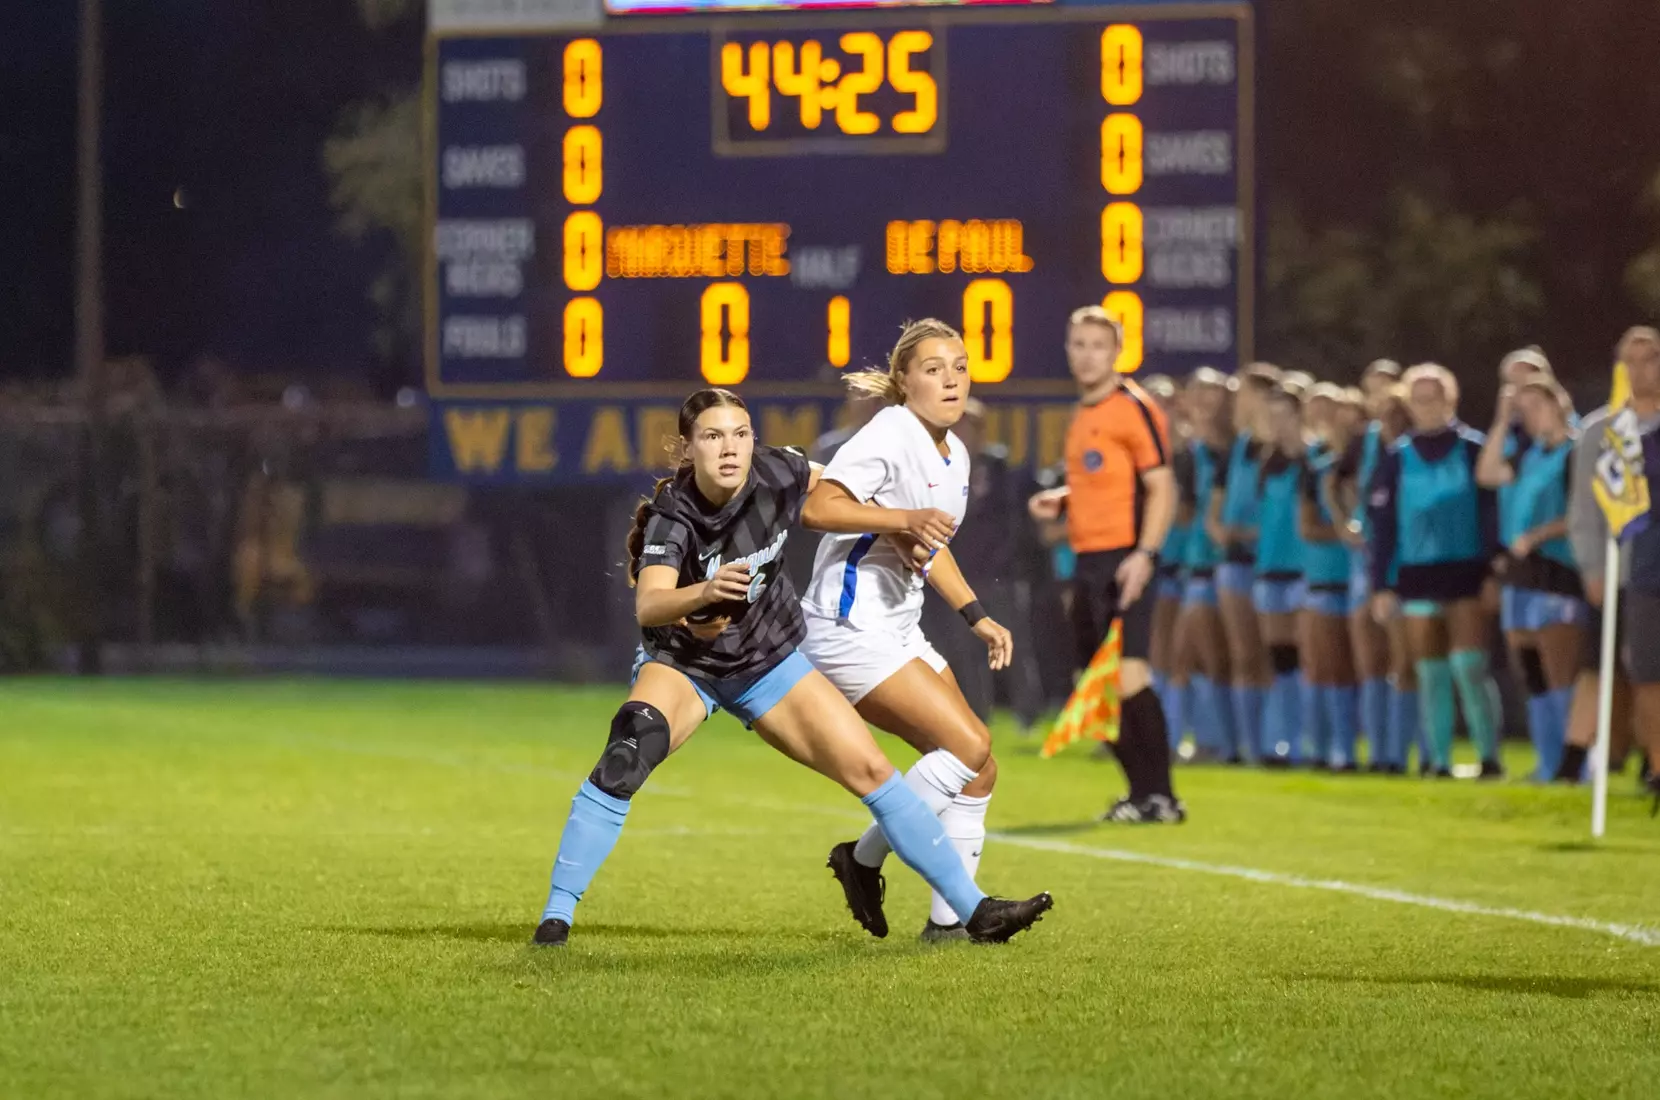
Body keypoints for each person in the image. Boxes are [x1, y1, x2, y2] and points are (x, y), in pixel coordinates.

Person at [533, 388, 1052, 947]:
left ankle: (975, 913)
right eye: (713, 436)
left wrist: (897, 527)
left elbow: (841, 499)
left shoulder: (779, 470)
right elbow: (651, 605)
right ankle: (556, 918)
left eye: (740, 434)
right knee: (628, 752)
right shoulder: (673, 516)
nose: (730, 449)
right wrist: (704, 592)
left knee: (874, 772)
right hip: (686, 664)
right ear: (687, 448)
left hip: (768, 662)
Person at [800, 319, 1019, 943]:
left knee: (978, 771)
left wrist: (976, 615)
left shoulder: (955, 453)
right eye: (933, 369)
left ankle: (947, 926)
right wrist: (902, 516)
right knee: (969, 746)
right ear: (903, 380)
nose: (951, 380)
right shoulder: (890, 431)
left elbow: (927, 545)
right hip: (848, 625)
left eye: (960, 367)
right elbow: (817, 507)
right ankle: (864, 859)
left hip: (897, 625)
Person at [1028, 305, 1182, 821]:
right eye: (1079, 345)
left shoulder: (1133, 407)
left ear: (1117, 352)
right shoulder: (1084, 414)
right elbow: (1109, 484)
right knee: (1091, 685)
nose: (1087, 355)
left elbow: (1161, 486)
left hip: (1125, 559)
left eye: (1098, 346)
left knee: (1129, 675)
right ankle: (1141, 794)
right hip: (1088, 561)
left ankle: (1161, 795)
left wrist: (1145, 554)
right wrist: (1063, 500)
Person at [1367, 365, 1504, 779]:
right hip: (1417, 574)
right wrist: (1380, 584)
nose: (1427, 407)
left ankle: (1489, 756)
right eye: (1419, 399)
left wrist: (1493, 570)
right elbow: (1383, 527)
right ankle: (1438, 759)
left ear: (1451, 400)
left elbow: (1490, 512)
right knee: (1430, 672)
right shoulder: (1397, 458)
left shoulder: (1473, 448)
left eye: (1434, 398)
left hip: (1466, 571)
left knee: (1469, 666)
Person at [1559, 327, 1660, 784]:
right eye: (1630, 360)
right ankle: (1581, 757)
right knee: (1614, 666)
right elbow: (1584, 509)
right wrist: (1593, 568)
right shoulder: (1601, 431)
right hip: (1621, 568)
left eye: (1650, 358)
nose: (1640, 370)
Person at [1477, 375, 1583, 780]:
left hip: (1557, 571)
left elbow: (1581, 513)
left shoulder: (1575, 451)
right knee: (1531, 671)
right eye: (1524, 410)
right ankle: (1547, 762)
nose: (1531, 415)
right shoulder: (1527, 455)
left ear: (1558, 404)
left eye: (1537, 405)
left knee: (1560, 670)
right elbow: (1487, 474)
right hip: (1521, 575)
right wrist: (1502, 420)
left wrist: (1538, 535)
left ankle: (1575, 765)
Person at [1207, 363, 1280, 763]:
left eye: (1245, 392)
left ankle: (1274, 740)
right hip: (1234, 562)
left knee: (1272, 653)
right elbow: (1214, 512)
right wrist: (1222, 531)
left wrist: (1251, 533)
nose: (1237, 400)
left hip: (1270, 562)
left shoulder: (1278, 449)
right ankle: (1245, 745)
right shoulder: (1237, 448)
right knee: (1242, 654)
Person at [1171, 367, 1238, 761]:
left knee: (1211, 655)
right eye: (1197, 394)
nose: (1205, 403)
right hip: (1192, 564)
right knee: (1192, 655)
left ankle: (1219, 741)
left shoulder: (1233, 451)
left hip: (1221, 562)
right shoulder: (1187, 454)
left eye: (1213, 395)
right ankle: (1206, 738)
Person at [1300, 385, 1362, 769]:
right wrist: (1342, 528)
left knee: (1355, 667)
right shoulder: (1317, 469)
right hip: (1325, 577)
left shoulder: (1367, 465)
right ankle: (1326, 749)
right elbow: (1308, 527)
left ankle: (1350, 749)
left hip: (1358, 577)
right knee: (1325, 666)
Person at [1251, 386, 1310, 765]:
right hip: (1270, 568)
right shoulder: (1266, 463)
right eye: (1270, 416)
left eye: (1283, 414)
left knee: (1307, 657)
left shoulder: (1313, 460)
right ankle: (1281, 741)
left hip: (1304, 569)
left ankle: (1308, 741)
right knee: (1279, 658)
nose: (1276, 423)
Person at [1141, 374, 1191, 751]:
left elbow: (1187, 513)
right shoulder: (1138, 453)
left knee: (1172, 651)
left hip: (1181, 563)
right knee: (1150, 651)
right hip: (1148, 563)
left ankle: (1171, 733)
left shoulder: (1186, 455)